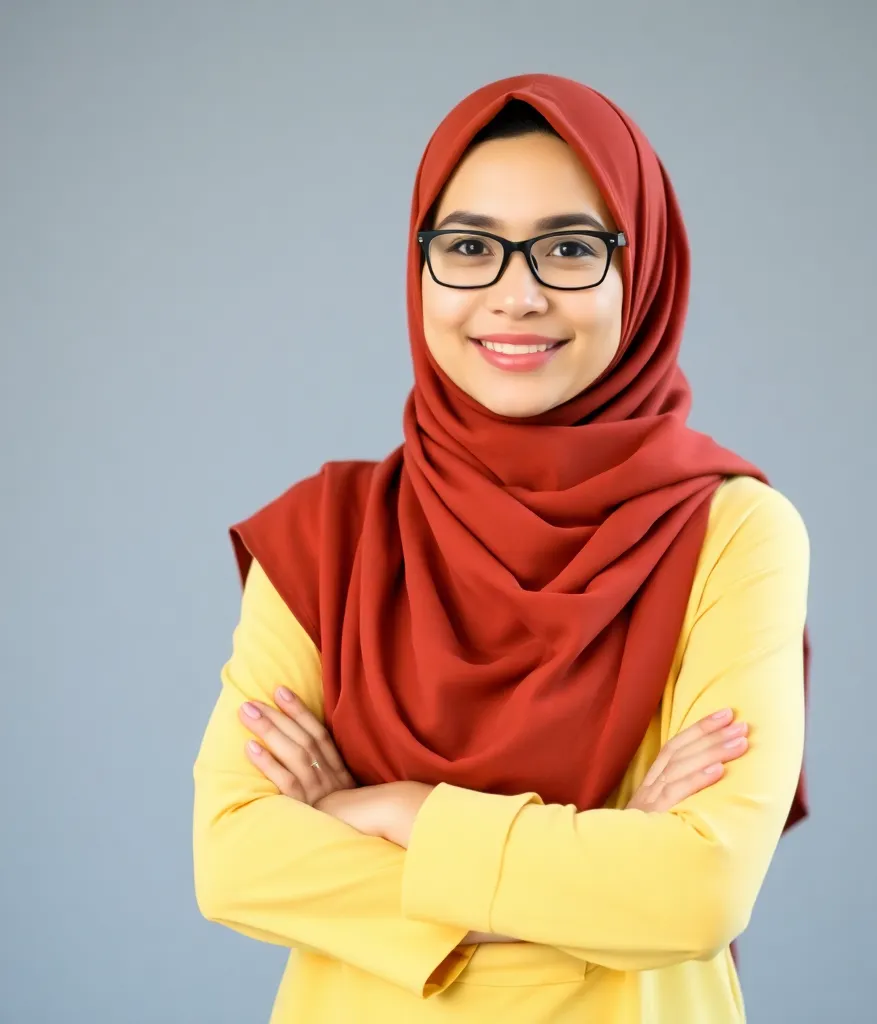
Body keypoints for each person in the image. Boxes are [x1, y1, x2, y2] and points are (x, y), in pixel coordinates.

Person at [192, 73, 810, 1023]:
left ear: (640, 272)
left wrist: (392, 812)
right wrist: (604, 859)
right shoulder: (329, 535)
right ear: (421, 267)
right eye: (471, 247)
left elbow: (696, 891)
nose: (515, 296)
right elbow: (234, 862)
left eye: (568, 248)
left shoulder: (730, 532)